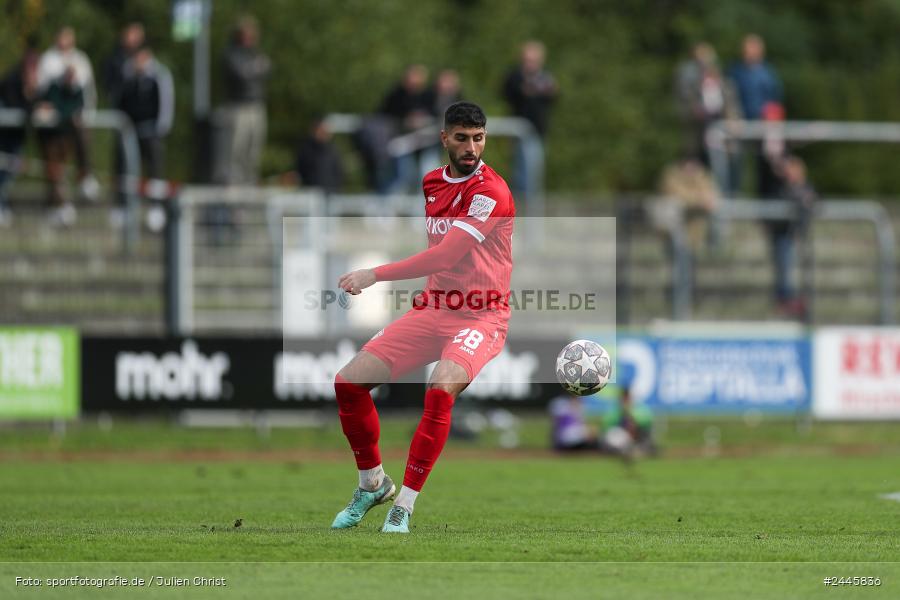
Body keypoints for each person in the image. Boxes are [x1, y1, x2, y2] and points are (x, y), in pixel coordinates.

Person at [331, 102, 515, 533]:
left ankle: (405, 505)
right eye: (462, 138)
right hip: (434, 309)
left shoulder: (492, 192)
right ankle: (373, 484)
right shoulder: (431, 182)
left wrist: (374, 274)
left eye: (479, 138)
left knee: (439, 391)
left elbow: (446, 254)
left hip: (481, 317)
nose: (471, 148)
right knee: (348, 384)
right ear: (444, 138)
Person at [37, 26, 99, 202]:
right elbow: (42, 91)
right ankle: (57, 202)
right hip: (53, 124)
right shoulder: (48, 59)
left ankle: (85, 176)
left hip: (74, 120)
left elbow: (88, 89)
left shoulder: (80, 59)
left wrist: (87, 114)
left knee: (81, 146)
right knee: (55, 162)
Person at [674, 42, 742, 182]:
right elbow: (685, 106)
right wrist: (696, 112)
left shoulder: (724, 83)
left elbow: (731, 106)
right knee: (699, 168)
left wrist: (733, 120)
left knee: (728, 164)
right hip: (698, 135)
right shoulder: (691, 83)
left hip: (721, 134)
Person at [215, 16, 270, 185]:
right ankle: (234, 183)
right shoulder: (231, 53)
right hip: (238, 107)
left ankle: (250, 182)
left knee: (253, 148)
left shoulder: (254, 52)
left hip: (256, 105)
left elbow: (266, 67)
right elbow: (241, 74)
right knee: (236, 148)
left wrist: (252, 69)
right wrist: (255, 68)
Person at [727, 34, 783, 196]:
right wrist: (732, 118)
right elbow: (728, 98)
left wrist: (772, 124)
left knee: (767, 164)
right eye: (746, 49)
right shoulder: (734, 72)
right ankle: (733, 198)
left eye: (752, 49)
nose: (748, 53)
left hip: (763, 125)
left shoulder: (768, 74)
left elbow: (775, 101)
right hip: (738, 124)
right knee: (735, 162)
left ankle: (767, 201)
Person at [502, 40, 557, 197]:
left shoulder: (545, 78)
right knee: (519, 170)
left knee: (533, 170)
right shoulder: (515, 77)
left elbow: (553, 97)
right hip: (518, 130)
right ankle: (520, 202)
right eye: (527, 60)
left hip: (537, 130)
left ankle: (529, 203)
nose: (530, 64)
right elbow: (509, 93)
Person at [767, 155, 816, 317]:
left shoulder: (807, 189)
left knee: (803, 271)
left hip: (802, 236)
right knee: (785, 269)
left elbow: (815, 203)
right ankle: (786, 302)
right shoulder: (779, 189)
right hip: (784, 236)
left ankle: (802, 304)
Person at [0, 38, 40, 226]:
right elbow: (17, 108)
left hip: (15, 138)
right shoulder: (11, 80)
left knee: (10, 171)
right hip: (3, 137)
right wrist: (29, 96)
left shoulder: (32, 84)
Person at [294, 117, 343, 194]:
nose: (324, 133)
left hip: (332, 191)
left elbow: (338, 171)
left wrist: (338, 187)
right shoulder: (306, 149)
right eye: (321, 131)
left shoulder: (333, 149)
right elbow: (301, 170)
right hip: (312, 192)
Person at [103, 22, 145, 107]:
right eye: (133, 35)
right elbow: (112, 85)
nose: (135, 40)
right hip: (121, 105)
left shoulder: (145, 58)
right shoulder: (115, 58)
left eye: (138, 37)